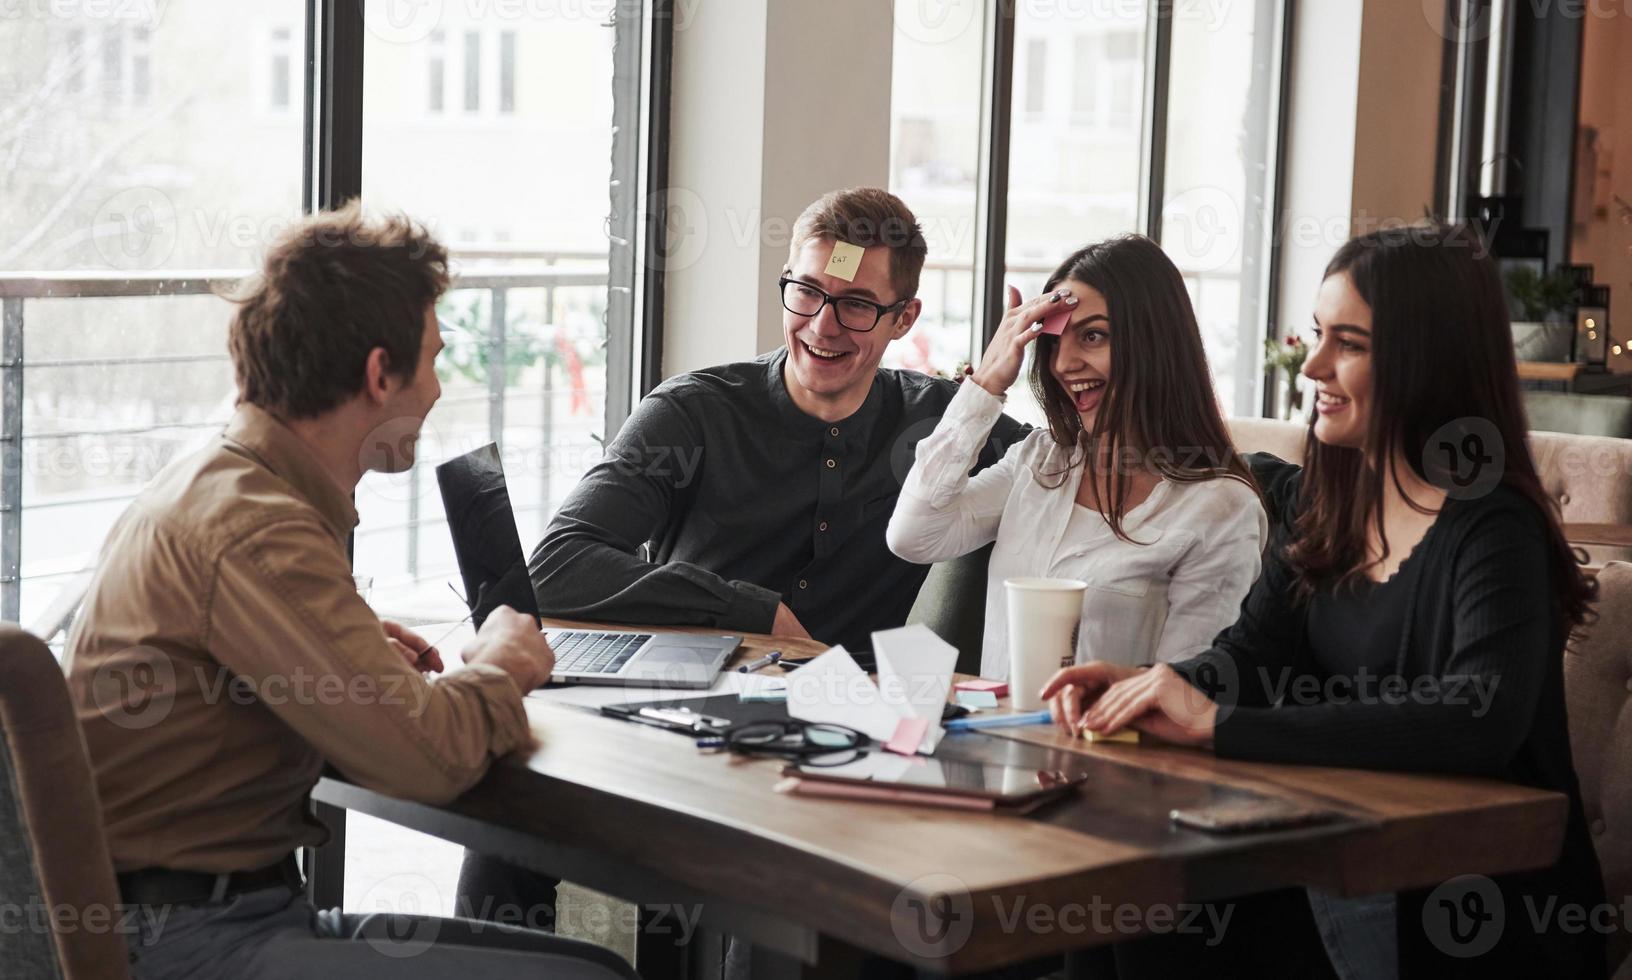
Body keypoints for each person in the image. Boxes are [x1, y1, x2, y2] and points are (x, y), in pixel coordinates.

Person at [63, 204, 635, 979]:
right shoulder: (258, 529)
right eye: (431, 359)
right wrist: (504, 661)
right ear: (377, 373)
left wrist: (349, 649)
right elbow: (428, 761)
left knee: (593, 967)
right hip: (190, 945)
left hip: (202, 918)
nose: (435, 389)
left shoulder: (222, 487)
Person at [460, 186, 1030, 944]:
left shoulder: (945, 426)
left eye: (858, 304)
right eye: (808, 292)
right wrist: (748, 609)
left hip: (844, 751)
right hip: (678, 726)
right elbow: (559, 566)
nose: (823, 326)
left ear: (905, 319)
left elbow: (1079, 469)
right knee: (511, 806)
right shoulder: (695, 412)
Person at [1042, 223, 1607, 978]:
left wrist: (1223, 726)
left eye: (1350, 342)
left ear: (1426, 357)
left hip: (1463, 903)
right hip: (1340, 851)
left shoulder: (1495, 527)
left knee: (1155, 909)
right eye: (1317, 334)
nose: (1312, 365)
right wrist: (1157, 684)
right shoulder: (1327, 501)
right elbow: (1250, 655)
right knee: (1122, 897)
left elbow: (1474, 718)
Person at [887, 235, 1266, 679]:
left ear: (1155, 343)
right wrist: (985, 384)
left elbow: (1183, 693)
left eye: (1093, 336)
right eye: (1053, 342)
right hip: (996, 742)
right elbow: (912, 536)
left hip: (1105, 747)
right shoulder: (1042, 461)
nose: (1063, 364)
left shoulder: (1219, 507)